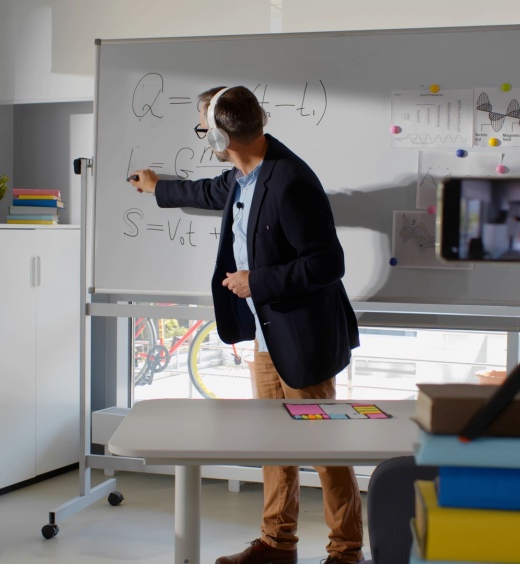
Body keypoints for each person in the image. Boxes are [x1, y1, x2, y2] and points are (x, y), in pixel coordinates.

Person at [128, 86, 363, 564]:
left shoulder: (291, 181)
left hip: (303, 338)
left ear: (220, 136)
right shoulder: (244, 174)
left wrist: (256, 281)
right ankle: (277, 544)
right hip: (266, 334)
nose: (202, 136)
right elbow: (209, 191)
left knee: (323, 448)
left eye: (202, 129)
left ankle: (347, 551)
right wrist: (157, 187)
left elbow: (327, 264)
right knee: (274, 444)